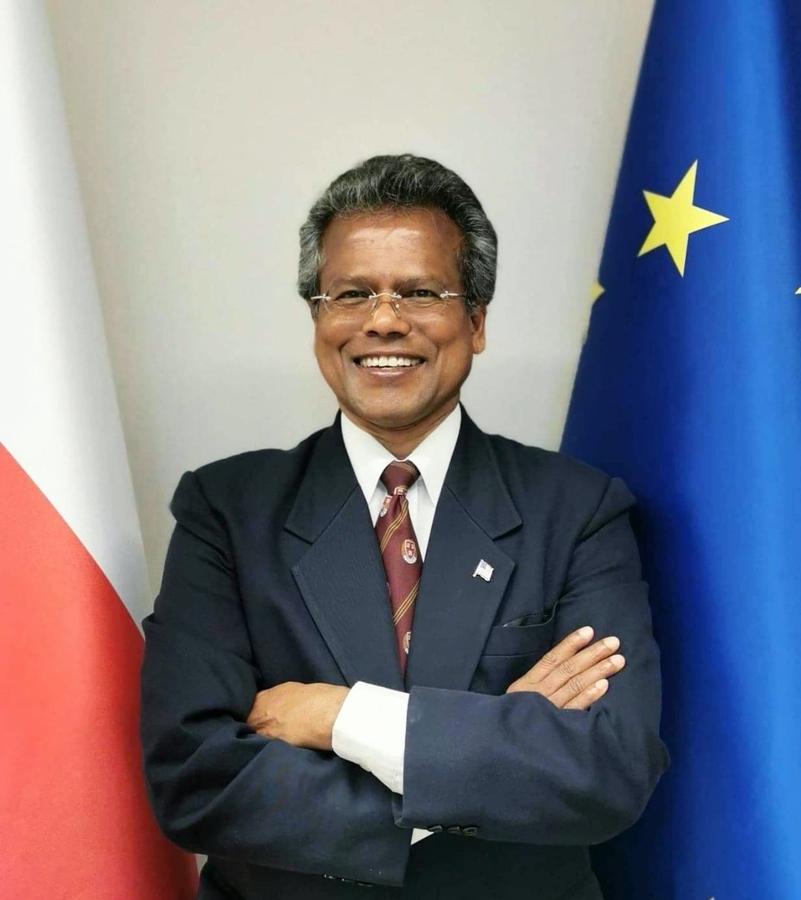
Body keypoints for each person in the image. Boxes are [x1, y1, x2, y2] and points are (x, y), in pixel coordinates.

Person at [140, 154, 668, 900]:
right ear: (319, 320)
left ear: (475, 322)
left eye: (420, 292)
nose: (383, 320)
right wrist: (489, 748)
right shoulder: (225, 510)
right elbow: (196, 780)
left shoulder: (578, 509)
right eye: (351, 294)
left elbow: (610, 770)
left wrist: (340, 717)